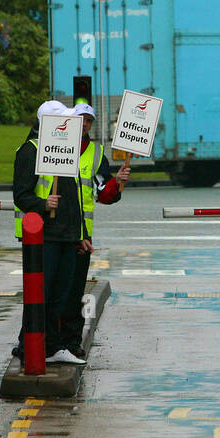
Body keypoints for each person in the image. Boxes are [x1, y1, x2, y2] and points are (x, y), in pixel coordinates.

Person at [13, 100, 87, 365]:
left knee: (60, 296)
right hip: (45, 236)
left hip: (66, 235)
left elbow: (75, 198)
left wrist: (81, 234)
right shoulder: (30, 151)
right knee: (40, 295)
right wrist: (44, 205)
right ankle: (30, 347)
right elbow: (21, 195)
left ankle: (53, 347)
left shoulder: (64, 151)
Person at [57, 103, 129, 360]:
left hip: (81, 237)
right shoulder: (55, 145)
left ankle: (72, 342)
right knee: (56, 291)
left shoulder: (98, 153)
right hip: (56, 233)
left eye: (89, 121)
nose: (85, 124)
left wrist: (117, 183)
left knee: (75, 291)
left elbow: (102, 194)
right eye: (81, 119)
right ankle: (50, 342)